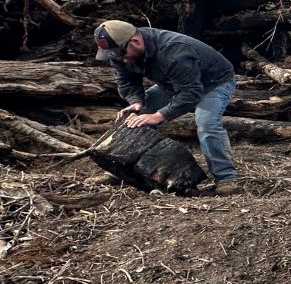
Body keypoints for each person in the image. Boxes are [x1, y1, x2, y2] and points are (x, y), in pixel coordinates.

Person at [94, 20, 240, 195]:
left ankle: (226, 178)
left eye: (120, 54)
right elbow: (126, 80)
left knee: (207, 123)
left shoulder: (174, 51)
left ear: (135, 42)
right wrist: (136, 102)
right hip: (172, 83)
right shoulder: (119, 51)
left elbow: (191, 93)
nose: (119, 59)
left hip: (213, 82)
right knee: (134, 119)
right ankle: (120, 172)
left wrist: (159, 115)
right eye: (113, 55)